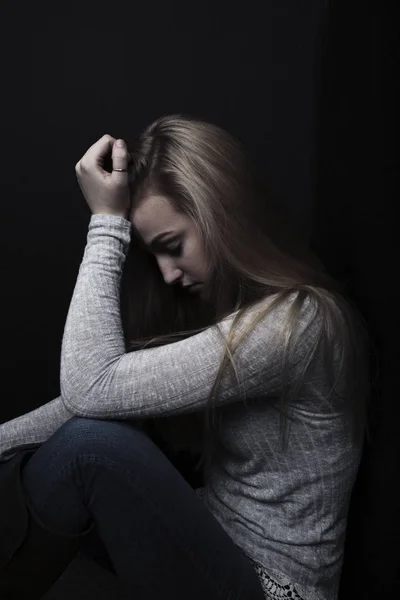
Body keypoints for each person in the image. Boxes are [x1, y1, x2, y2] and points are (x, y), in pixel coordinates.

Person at [0, 114, 371, 600]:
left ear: (221, 214)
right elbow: (94, 399)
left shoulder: (301, 323)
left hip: (274, 589)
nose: (169, 275)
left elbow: (90, 386)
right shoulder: (245, 316)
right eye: (156, 257)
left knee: (92, 447)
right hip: (217, 542)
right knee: (99, 433)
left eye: (172, 247)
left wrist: (107, 224)